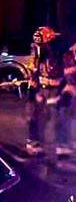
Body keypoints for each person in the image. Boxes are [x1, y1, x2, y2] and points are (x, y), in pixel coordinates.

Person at [26, 26, 71, 158]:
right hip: (41, 89)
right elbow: (33, 70)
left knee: (60, 117)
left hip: (57, 90)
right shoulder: (36, 52)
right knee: (34, 117)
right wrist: (34, 91)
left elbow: (68, 72)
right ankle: (34, 145)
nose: (40, 47)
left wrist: (64, 91)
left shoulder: (62, 54)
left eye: (43, 44)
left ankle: (63, 148)